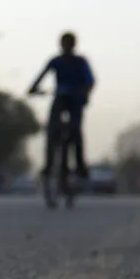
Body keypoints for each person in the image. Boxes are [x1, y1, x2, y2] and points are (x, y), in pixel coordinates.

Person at [28, 31, 95, 178]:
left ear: (74, 45)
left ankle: (80, 165)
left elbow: (90, 80)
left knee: (75, 130)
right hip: (60, 98)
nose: (67, 47)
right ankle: (49, 165)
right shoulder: (56, 62)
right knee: (52, 130)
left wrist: (85, 93)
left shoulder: (81, 62)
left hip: (76, 100)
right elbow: (41, 76)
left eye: (69, 44)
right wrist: (33, 88)